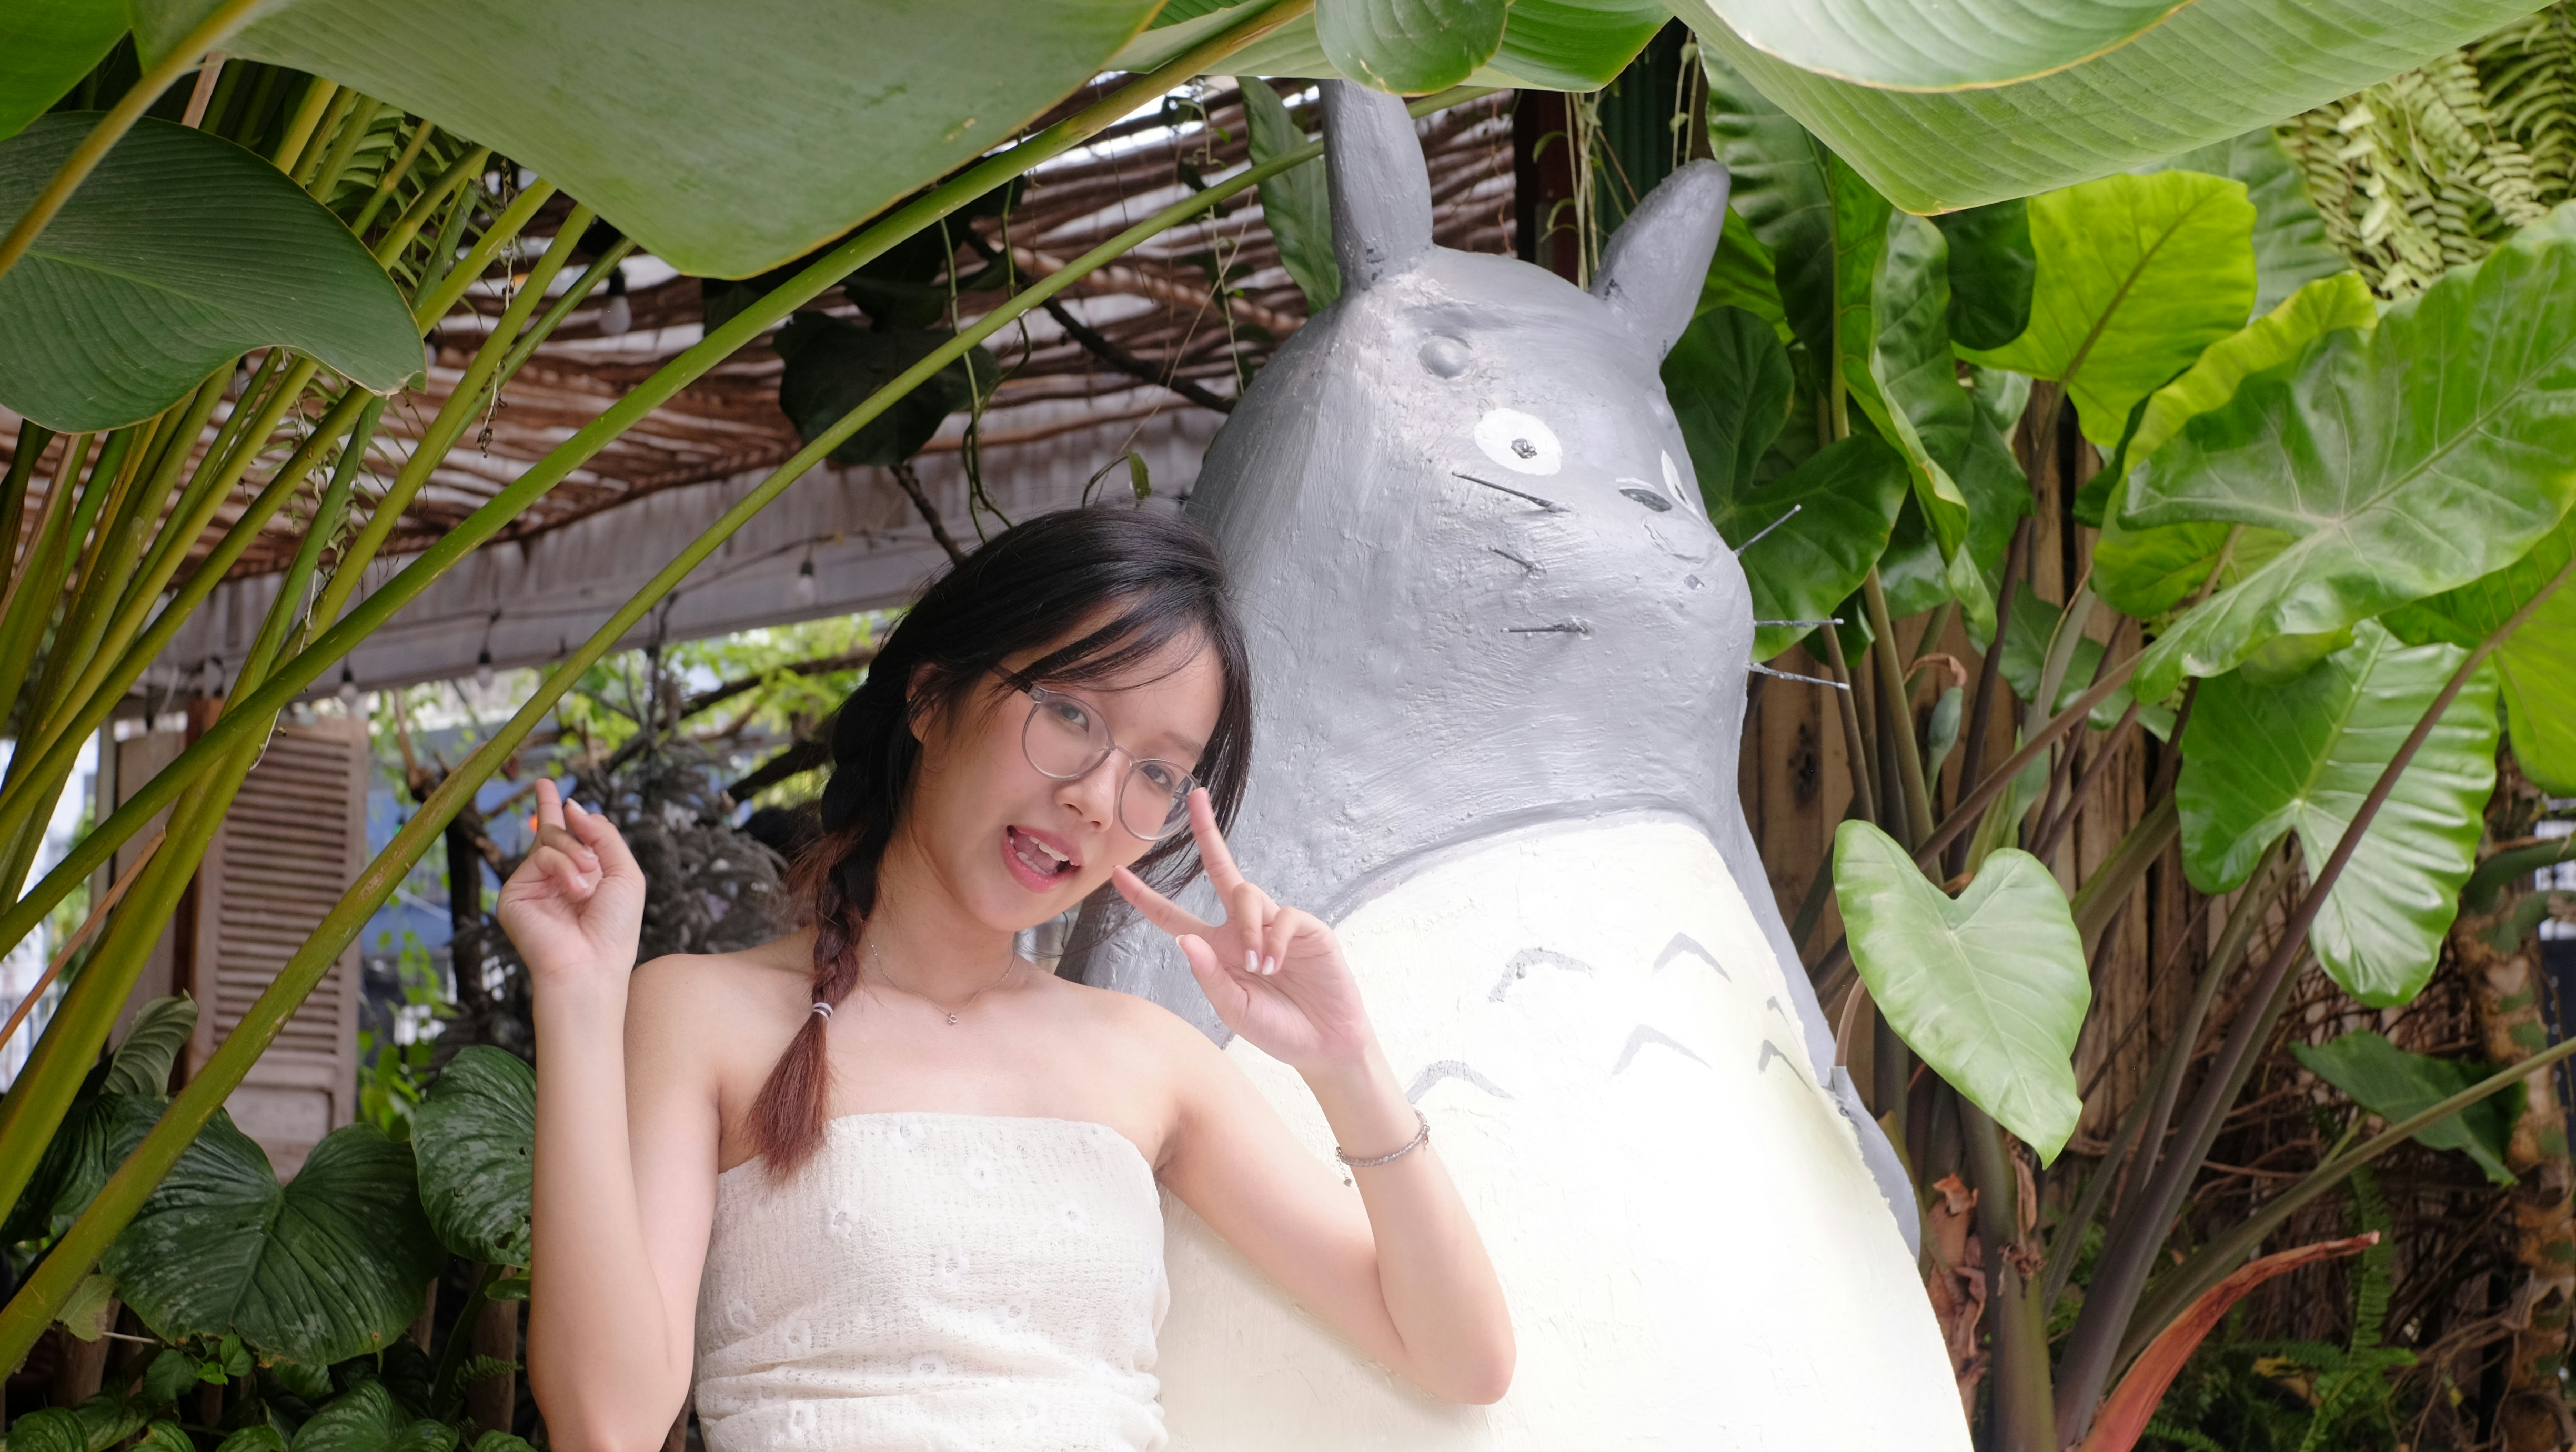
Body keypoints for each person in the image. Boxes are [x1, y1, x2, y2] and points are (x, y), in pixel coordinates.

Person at [498, 508, 1512, 1451]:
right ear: (931, 697)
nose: (1097, 798)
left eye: (1159, 773)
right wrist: (579, 996)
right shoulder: (702, 1012)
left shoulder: (1151, 1061)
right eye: (1069, 713)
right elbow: (608, 1422)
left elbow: (1462, 1357)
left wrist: (1345, 1064)